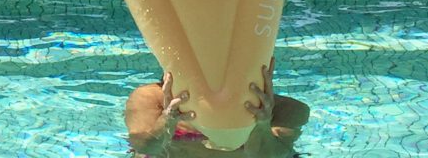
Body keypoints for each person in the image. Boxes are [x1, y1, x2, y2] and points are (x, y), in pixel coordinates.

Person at [125, 58, 309, 156]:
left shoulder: (287, 110)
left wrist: (260, 125)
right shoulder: (151, 98)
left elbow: (269, 157)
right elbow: (145, 147)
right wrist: (167, 120)